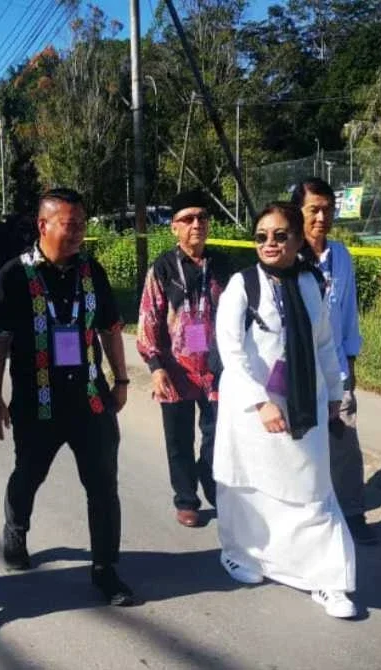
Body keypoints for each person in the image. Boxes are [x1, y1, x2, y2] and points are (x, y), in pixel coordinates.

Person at [0, 188, 134, 606]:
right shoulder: (12, 276)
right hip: (38, 405)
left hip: (90, 400)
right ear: (43, 225)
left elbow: (109, 329)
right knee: (28, 475)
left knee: (103, 486)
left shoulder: (92, 271)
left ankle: (105, 570)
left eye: (82, 226)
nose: (77, 235)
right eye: (70, 225)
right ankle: (16, 531)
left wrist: (120, 380)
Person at [213, 202, 355, 619]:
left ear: (297, 238)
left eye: (279, 235)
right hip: (252, 409)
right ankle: (242, 554)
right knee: (247, 487)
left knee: (313, 491)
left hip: (303, 405)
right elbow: (231, 352)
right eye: (261, 236)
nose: (269, 243)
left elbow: (324, 342)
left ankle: (328, 581)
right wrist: (260, 402)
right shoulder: (243, 285)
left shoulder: (311, 281)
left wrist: (335, 391)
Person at [136, 190, 232, 527]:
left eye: (202, 218)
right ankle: (186, 499)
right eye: (187, 219)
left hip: (216, 369)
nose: (196, 225)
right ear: (174, 227)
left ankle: (212, 481)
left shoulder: (223, 266)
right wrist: (155, 366)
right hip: (175, 371)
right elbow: (148, 317)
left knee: (217, 435)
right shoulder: (162, 268)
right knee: (178, 440)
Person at [292, 178, 376, 546]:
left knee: (344, 444)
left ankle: (353, 515)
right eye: (314, 209)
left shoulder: (341, 256)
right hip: (299, 373)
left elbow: (348, 316)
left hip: (336, 369)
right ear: (299, 212)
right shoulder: (287, 257)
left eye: (328, 209)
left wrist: (351, 367)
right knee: (301, 448)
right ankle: (306, 520)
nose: (322, 216)